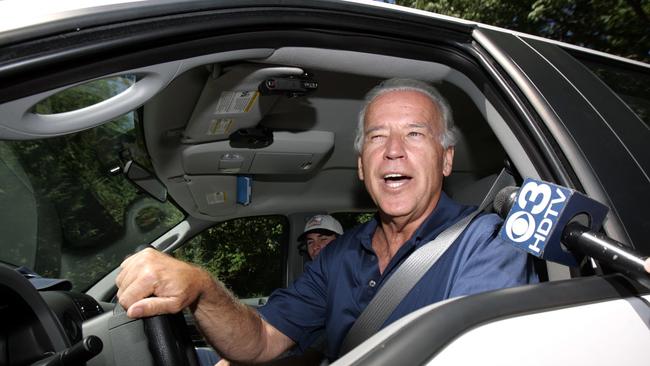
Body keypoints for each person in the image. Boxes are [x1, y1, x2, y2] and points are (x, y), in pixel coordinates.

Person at [116, 78, 538, 363]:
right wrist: (201, 289)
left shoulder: (488, 244)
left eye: (415, 133)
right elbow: (262, 340)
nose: (393, 150)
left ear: (445, 159)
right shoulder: (338, 257)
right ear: (361, 166)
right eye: (376, 136)